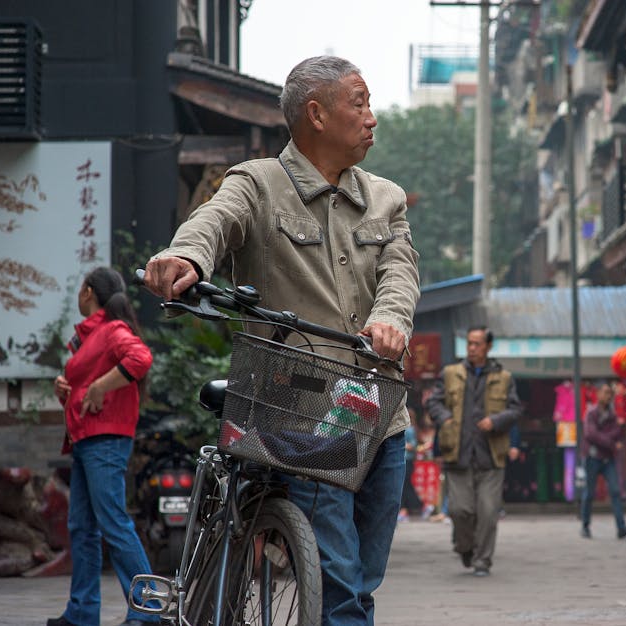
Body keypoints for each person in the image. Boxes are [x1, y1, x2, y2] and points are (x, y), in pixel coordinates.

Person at [142, 55, 420, 625]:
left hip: (380, 412)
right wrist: (184, 256)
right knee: (342, 587)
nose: (372, 117)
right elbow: (214, 221)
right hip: (299, 405)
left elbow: (401, 273)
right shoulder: (258, 183)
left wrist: (390, 319)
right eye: (359, 102)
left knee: (362, 583)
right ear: (316, 114)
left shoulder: (388, 198)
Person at [49, 266, 156, 626]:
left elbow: (140, 359)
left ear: (89, 292)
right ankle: (81, 613)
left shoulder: (112, 330)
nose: (78, 294)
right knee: (82, 527)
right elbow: (87, 381)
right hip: (84, 439)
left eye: (80, 288)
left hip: (105, 441)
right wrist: (66, 390)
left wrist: (98, 388)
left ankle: (149, 609)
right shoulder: (92, 336)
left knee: (113, 523)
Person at [424, 326, 522, 576]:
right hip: (458, 453)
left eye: (477, 344)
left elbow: (515, 410)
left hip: (491, 456)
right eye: (469, 343)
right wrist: (445, 418)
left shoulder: (504, 377)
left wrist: (496, 421)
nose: (472, 348)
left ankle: (482, 561)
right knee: (459, 510)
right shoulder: (450, 373)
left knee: (488, 512)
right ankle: (465, 546)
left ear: (488, 347)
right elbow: (434, 402)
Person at [579, 381, 626, 540]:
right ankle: (585, 525)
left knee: (615, 491)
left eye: (609, 393)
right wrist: (611, 443)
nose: (608, 396)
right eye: (605, 392)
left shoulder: (613, 415)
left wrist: (606, 439)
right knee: (589, 493)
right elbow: (590, 434)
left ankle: (621, 527)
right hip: (592, 457)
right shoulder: (591, 413)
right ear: (598, 393)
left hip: (607, 458)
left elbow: (616, 432)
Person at [398, 410, 423, 521]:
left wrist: (401, 444)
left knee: (404, 484)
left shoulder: (410, 429)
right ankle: (415, 506)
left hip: (407, 459)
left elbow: (413, 445)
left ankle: (405, 508)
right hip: (404, 459)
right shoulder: (406, 428)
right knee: (406, 484)